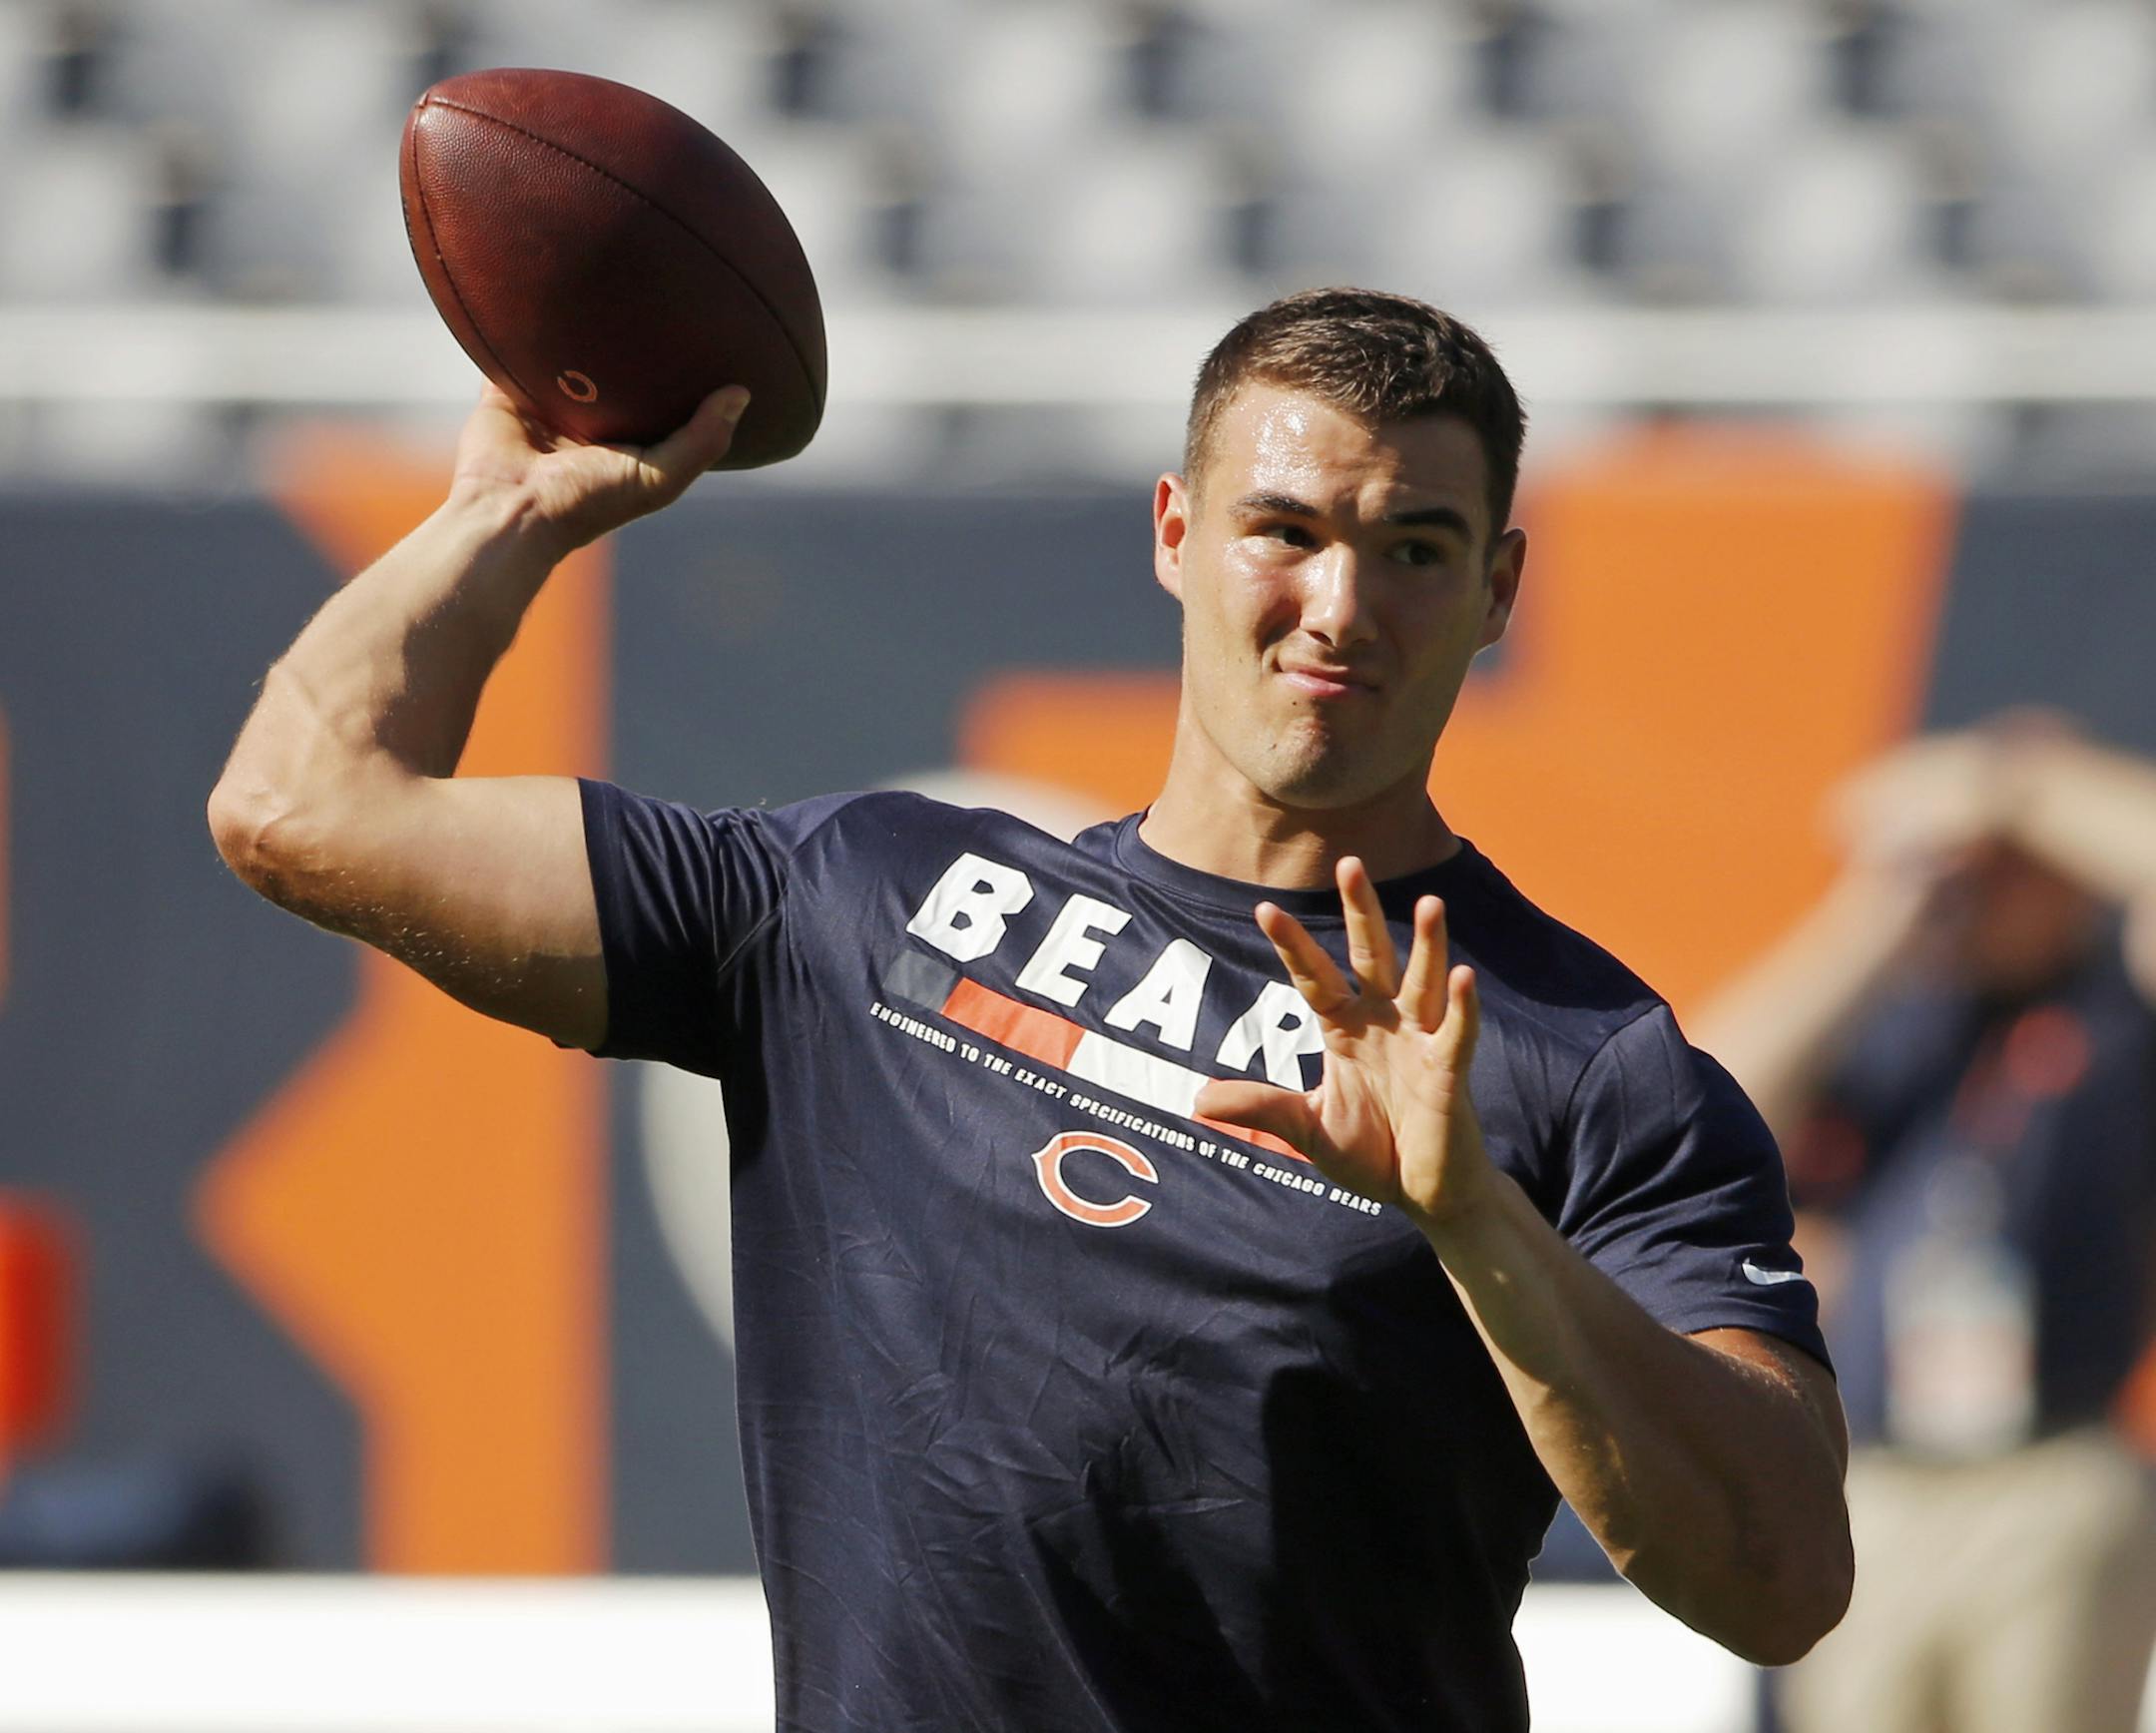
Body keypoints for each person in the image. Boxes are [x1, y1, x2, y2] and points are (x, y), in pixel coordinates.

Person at [209, 289, 1851, 1730]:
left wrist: (1473, 1217)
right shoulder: (854, 900)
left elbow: (1777, 1581)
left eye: (1414, 549)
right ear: (1173, 533)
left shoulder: (1582, 1060)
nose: (1341, 609)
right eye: (1283, 528)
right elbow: (299, 807)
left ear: (1497, 591)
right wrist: (504, 517)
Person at [1696, 718, 2156, 1733]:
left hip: (2053, 1478)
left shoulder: (2116, 1010)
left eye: (2006, 870)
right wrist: (1878, 906)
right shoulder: (1892, 1023)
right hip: (1882, 1485)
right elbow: (1702, 1101)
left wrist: (2022, 791)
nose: (1977, 892)